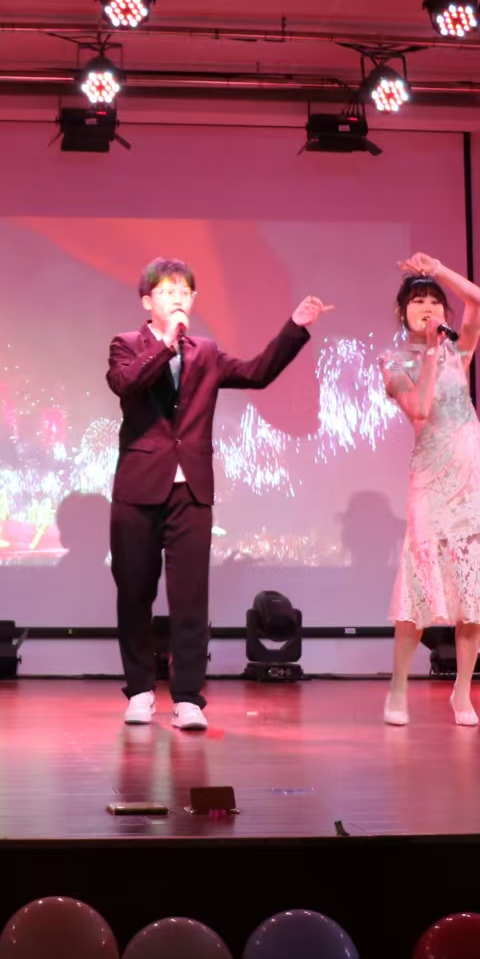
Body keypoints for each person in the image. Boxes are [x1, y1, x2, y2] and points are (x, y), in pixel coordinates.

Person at [106, 257, 331, 731]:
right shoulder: (125, 345)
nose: (178, 299)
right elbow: (127, 385)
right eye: (167, 292)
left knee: (190, 598)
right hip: (138, 488)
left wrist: (294, 327)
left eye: (184, 292)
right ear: (147, 302)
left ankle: (187, 697)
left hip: (191, 489)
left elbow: (257, 373)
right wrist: (166, 345)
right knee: (135, 594)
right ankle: (141, 691)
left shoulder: (205, 352)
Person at [379, 254, 480, 727]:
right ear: (402, 311)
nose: (427, 307)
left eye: (434, 301)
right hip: (431, 477)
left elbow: (479, 300)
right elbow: (420, 410)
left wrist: (439, 270)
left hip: (474, 472)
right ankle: (398, 686)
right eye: (417, 301)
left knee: (473, 589)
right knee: (420, 587)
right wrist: (428, 353)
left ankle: (462, 691)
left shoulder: (460, 351)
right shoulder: (393, 361)